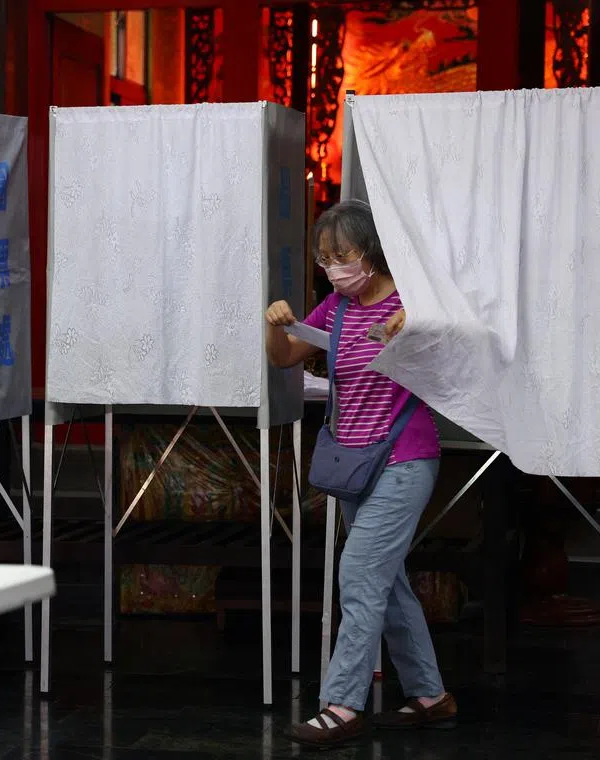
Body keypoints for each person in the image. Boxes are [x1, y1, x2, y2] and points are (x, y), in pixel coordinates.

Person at [265, 200, 455, 748]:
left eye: (341, 255)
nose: (332, 267)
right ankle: (431, 695)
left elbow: (455, 335)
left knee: (359, 574)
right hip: (355, 464)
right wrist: (277, 326)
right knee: (386, 582)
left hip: (404, 458)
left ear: (370, 250)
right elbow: (285, 358)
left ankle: (342, 704)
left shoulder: (412, 301)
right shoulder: (337, 308)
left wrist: (414, 323)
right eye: (324, 258)